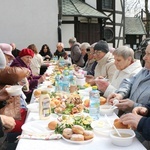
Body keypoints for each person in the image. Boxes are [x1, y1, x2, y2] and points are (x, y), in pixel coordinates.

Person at [107, 44, 150, 113]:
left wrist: (134, 106)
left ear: (129, 59)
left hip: (137, 121)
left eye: (149, 54)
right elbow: (129, 82)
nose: (144, 57)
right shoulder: (144, 71)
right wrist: (120, 94)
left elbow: (147, 109)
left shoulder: (139, 70)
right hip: (129, 118)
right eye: (145, 53)